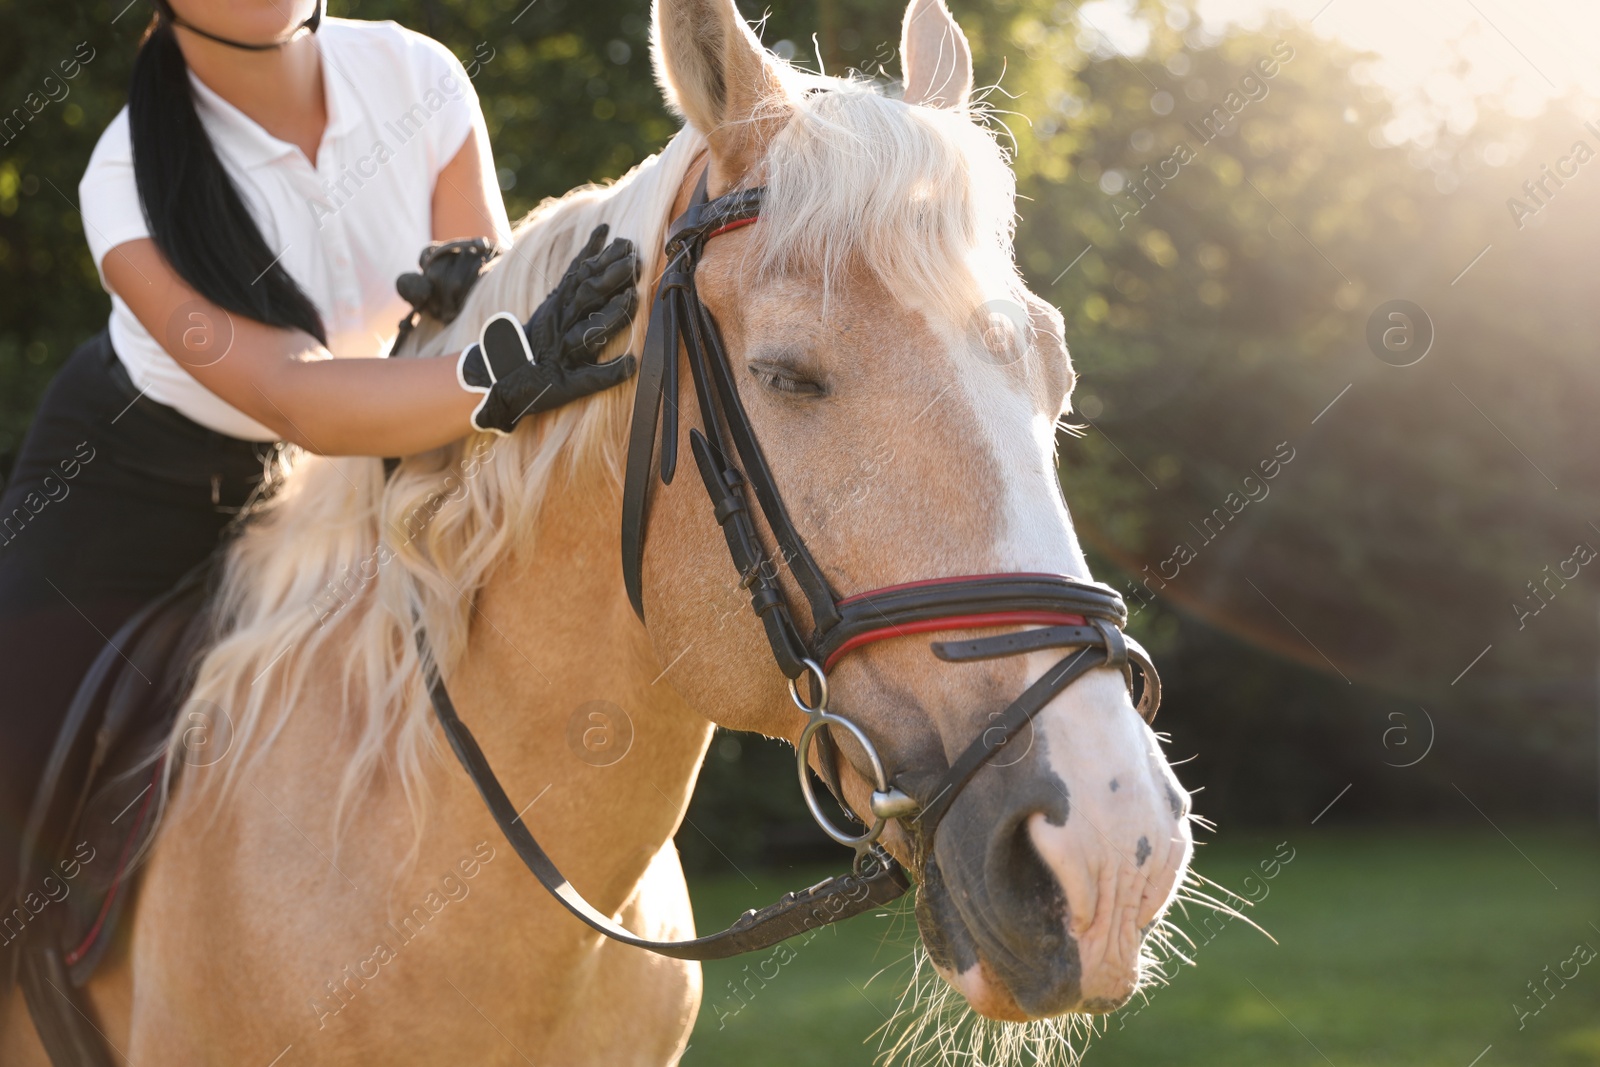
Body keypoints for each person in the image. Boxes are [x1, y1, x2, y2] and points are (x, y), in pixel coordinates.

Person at [0, 0, 639, 911]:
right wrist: (495, 372)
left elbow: (488, 308)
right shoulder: (122, 179)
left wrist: (469, 315)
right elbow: (294, 396)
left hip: (376, 452)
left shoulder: (420, 78)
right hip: (137, 486)